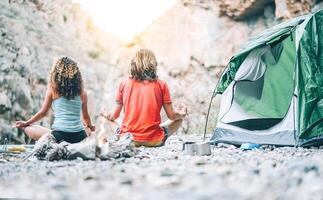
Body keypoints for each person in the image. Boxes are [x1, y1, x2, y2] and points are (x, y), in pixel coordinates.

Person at [100, 49, 187, 147]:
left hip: (129, 140)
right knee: (178, 120)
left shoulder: (123, 84)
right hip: (154, 141)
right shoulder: (162, 85)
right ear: (153, 64)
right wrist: (181, 114)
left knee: (110, 120)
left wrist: (106, 114)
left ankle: (121, 138)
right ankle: (153, 135)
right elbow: (172, 116)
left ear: (134, 63)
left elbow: (114, 116)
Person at [15, 57, 95, 143]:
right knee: (88, 129)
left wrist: (26, 123)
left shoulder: (53, 89)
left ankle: (54, 141)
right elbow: (85, 116)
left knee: (28, 129)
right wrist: (90, 126)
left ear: (57, 73)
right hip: (79, 136)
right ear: (77, 75)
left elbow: (43, 113)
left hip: (59, 136)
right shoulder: (82, 92)